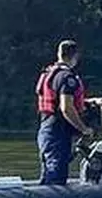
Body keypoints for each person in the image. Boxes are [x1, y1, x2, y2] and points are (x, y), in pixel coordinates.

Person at [35, 39, 95, 185]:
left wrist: (87, 102)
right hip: (58, 131)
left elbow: (57, 101)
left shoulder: (50, 73)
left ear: (59, 54)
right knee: (56, 173)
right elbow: (66, 108)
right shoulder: (67, 77)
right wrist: (84, 129)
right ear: (75, 57)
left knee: (49, 170)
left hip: (46, 129)